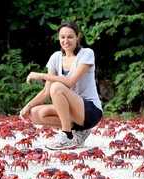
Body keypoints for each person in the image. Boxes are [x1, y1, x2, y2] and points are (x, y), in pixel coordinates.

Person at [20, 21, 103, 150]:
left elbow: (70, 82)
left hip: (90, 110)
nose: (66, 41)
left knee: (57, 87)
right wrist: (28, 105)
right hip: (71, 111)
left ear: (78, 37)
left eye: (70, 37)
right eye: (62, 37)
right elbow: (46, 92)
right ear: (58, 38)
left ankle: (67, 135)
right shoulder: (55, 57)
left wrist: (41, 75)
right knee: (34, 113)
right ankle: (79, 132)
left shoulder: (87, 53)